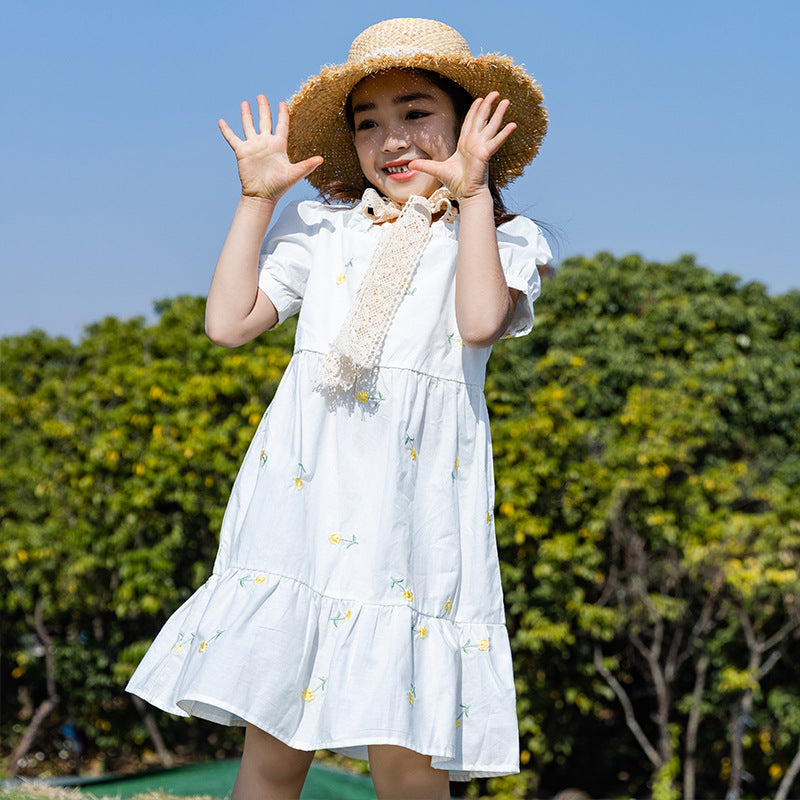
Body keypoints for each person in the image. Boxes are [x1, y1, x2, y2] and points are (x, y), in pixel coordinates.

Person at [126, 17, 550, 800]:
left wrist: (472, 193)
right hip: (304, 506)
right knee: (274, 740)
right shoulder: (322, 229)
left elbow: (479, 322)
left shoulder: (505, 238)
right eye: (368, 123)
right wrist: (257, 200)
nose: (393, 140)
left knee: (407, 756)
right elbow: (229, 324)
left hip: (411, 519)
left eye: (416, 113)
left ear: (470, 121)